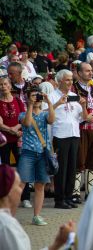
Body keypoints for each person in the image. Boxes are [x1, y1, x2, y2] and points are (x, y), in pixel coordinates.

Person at [0, 164, 76, 250]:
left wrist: (57, 244)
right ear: (8, 191)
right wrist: (70, 242)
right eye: (18, 185)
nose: (21, 190)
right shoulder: (7, 226)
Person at [48, 69, 88, 209]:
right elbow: (45, 114)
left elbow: (84, 117)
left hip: (74, 134)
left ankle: (69, 196)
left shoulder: (74, 96)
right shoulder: (52, 96)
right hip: (60, 135)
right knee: (61, 168)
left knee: (72, 167)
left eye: (71, 79)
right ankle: (59, 199)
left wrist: (83, 106)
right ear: (59, 81)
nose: (70, 82)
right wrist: (58, 103)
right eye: (67, 80)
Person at [18, 86, 55, 225]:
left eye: (38, 96)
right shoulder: (23, 114)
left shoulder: (45, 114)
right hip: (27, 152)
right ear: (28, 97)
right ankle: (9, 215)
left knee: (40, 185)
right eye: (33, 95)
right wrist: (30, 105)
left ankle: (37, 216)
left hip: (43, 153)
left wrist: (49, 103)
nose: (37, 98)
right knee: (21, 183)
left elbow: (52, 120)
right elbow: (27, 123)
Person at [71, 62, 93, 202]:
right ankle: (75, 193)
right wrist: (84, 118)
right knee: (79, 161)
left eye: (91, 71)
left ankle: (90, 192)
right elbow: (70, 111)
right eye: (87, 71)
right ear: (79, 73)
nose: (90, 73)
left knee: (92, 161)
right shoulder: (73, 89)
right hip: (81, 129)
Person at [0, 76, 32, 207]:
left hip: (18, 139)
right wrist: (12, 130)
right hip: (4, 140)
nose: (3, 86)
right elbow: (0, 124)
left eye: (5, 84)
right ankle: (6, 197)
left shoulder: (18, 101)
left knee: (23, 167)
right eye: (1, 84)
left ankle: (25, 198)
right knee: (6, 169)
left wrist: (17, 129)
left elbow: (24, 119)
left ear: (10, 86)